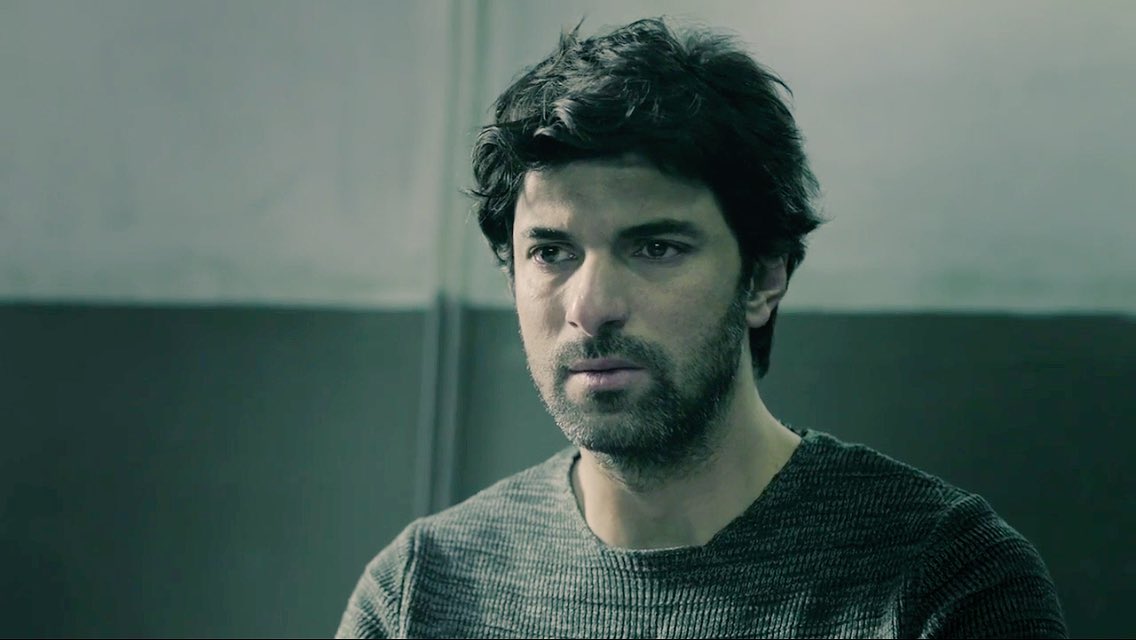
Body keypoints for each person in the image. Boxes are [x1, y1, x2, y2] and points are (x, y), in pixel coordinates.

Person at [337, 17, 1066, 639]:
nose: (591, 306)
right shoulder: (421, 592)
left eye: (656, 247)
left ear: (763, 276)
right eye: (552, 253)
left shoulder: (945, 580)